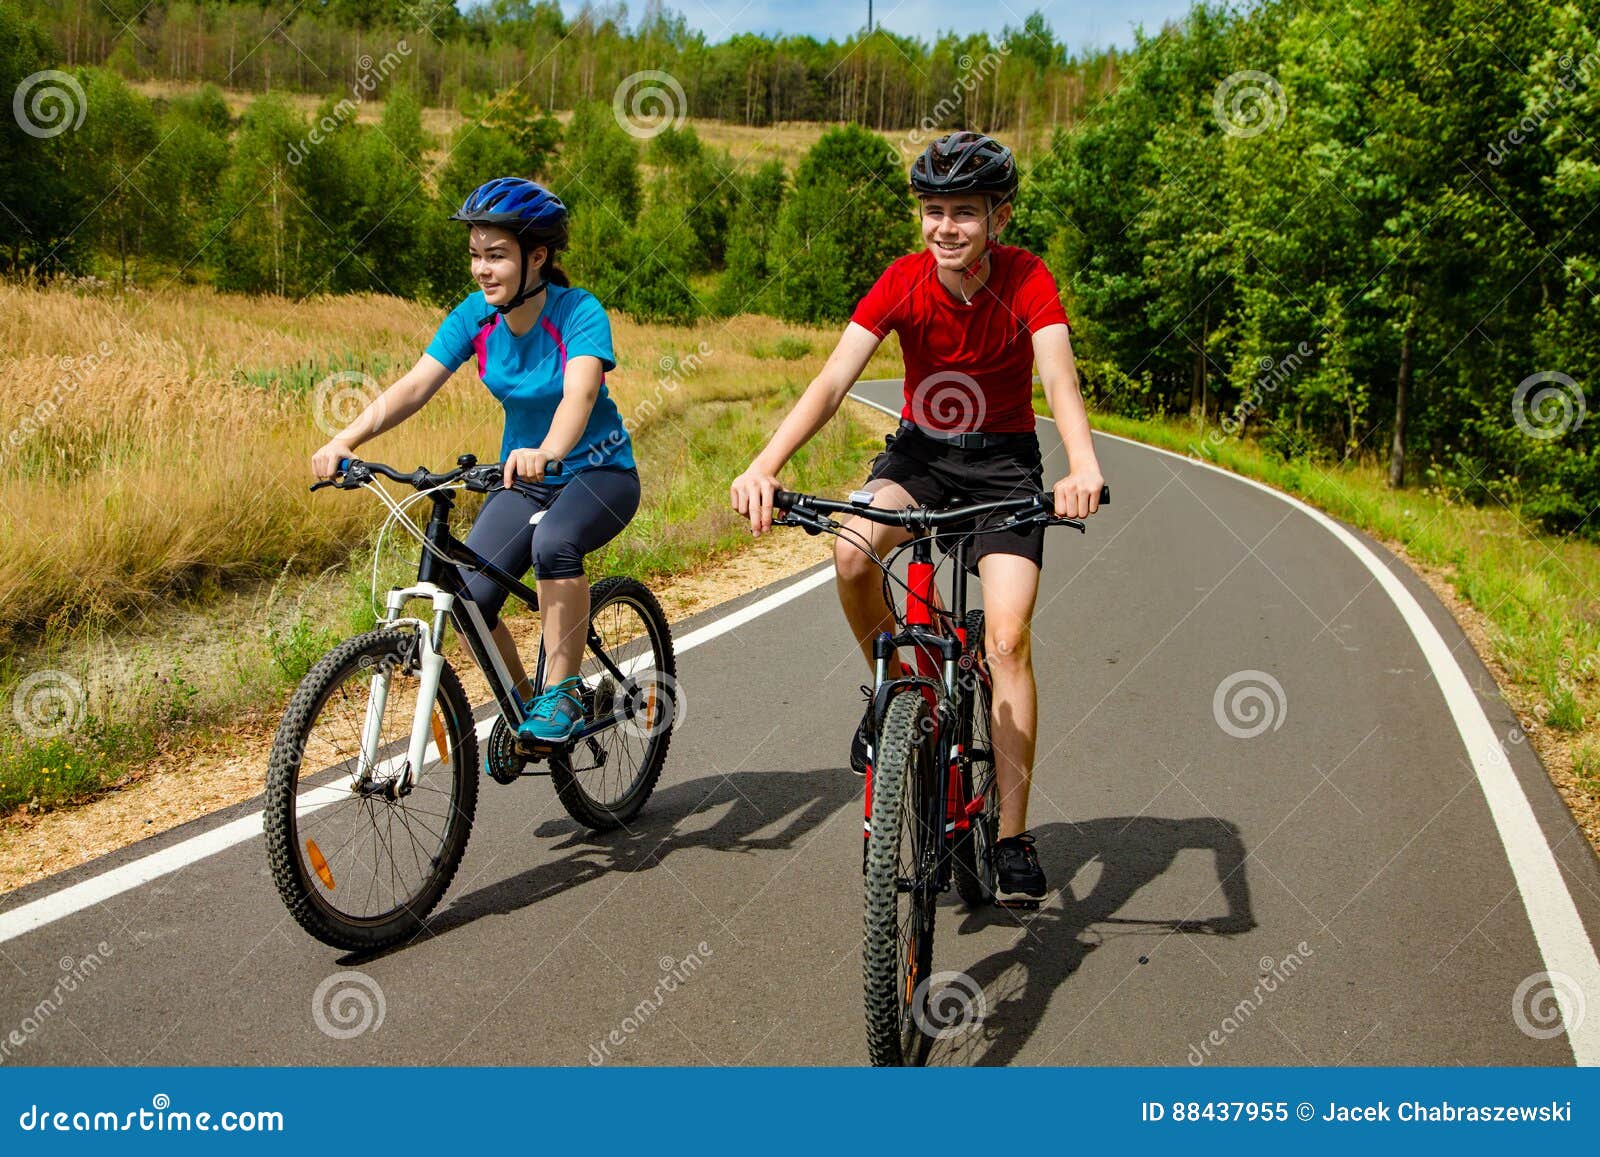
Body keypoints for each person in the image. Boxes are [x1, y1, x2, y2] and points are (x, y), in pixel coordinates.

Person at [729, 132, 1104, 907]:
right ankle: (895, 692)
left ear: (998, 217)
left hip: (1003, 464)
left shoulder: (1029, 277)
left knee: (1005, 637)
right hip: (920, 458)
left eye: (963, 212)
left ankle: (1011, 837)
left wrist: (1082, 464)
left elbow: (1059, 378)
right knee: (852, 552)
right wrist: (765, 464)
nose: (945, 228)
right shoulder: (902, 281)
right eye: (933, 211)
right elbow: (835, 379)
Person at [311, 177, 640, 744]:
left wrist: (549, 451)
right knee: (466, 596)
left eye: (496, 256)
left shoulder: (578, 312)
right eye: (474, 256)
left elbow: (579, 395)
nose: (481, 269)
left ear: (536, 257)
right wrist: (347, 439)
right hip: (524, 478)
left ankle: (561, 693)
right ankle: (525, 706)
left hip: (598, 472)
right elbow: (415, 386)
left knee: (552, 544)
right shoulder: (475, 317)